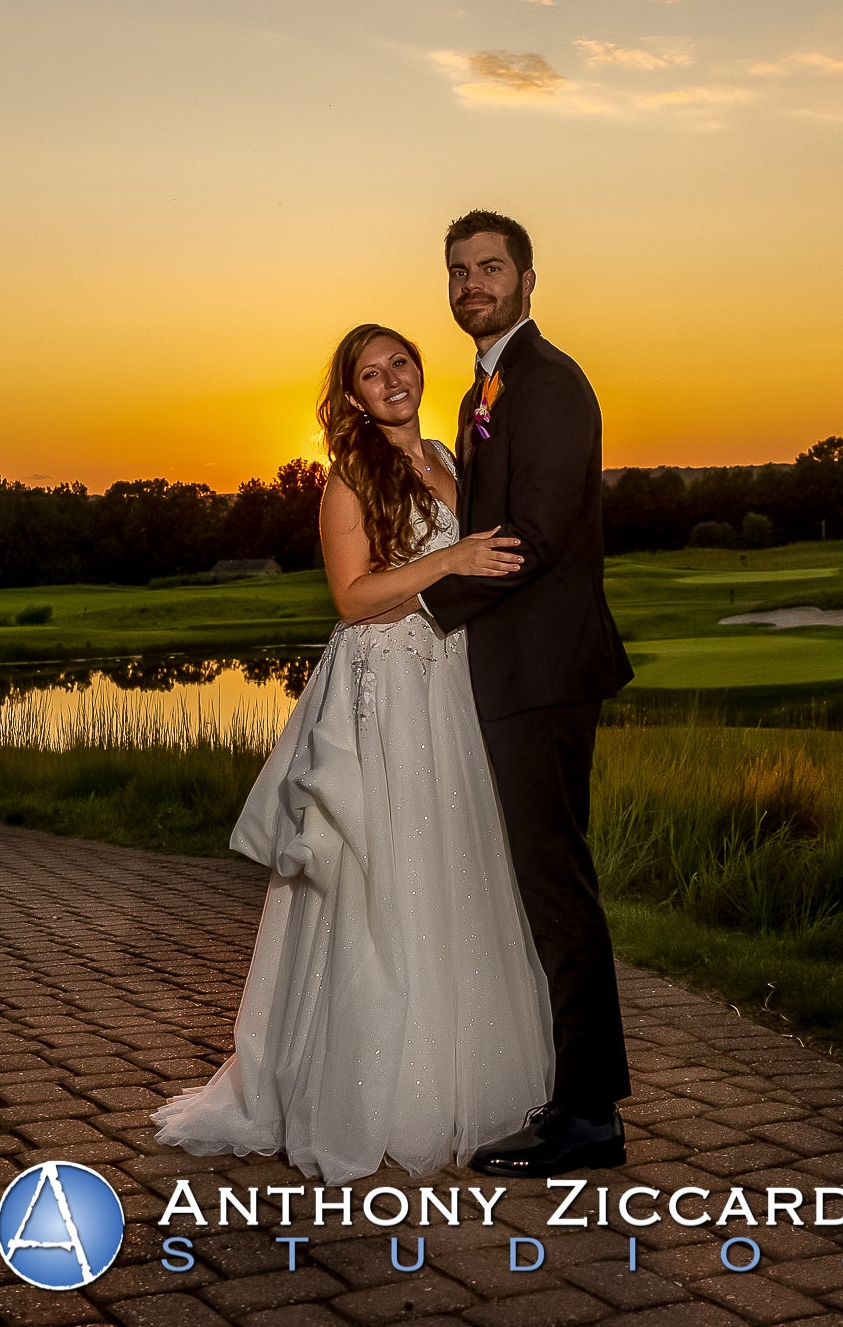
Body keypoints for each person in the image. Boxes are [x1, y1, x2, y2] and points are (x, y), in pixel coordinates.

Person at [151, 323, 555, 1183]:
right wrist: (450, 556)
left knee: (456, 865)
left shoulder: (451, 451)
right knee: (384, 875)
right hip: (387, 689)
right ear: (355, 396)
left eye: (400, 361)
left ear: (418, 366)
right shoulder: (348, 479)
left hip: (450, 681)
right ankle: (372, 1088)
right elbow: (351, 595)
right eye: (370, 374)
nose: (392, 378)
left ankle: (470, 1074)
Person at [422, 210, 636, 1177]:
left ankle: (587, 1116)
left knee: (556, 885)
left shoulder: (550, 383)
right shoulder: (488, 387)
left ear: (529, 279)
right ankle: (572, 1093)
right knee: (544, 882)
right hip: (514, 665)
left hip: (543, 669)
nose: (474, 284)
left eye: (491, 268)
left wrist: (422, 607)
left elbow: (536, 534)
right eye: (461, 270)